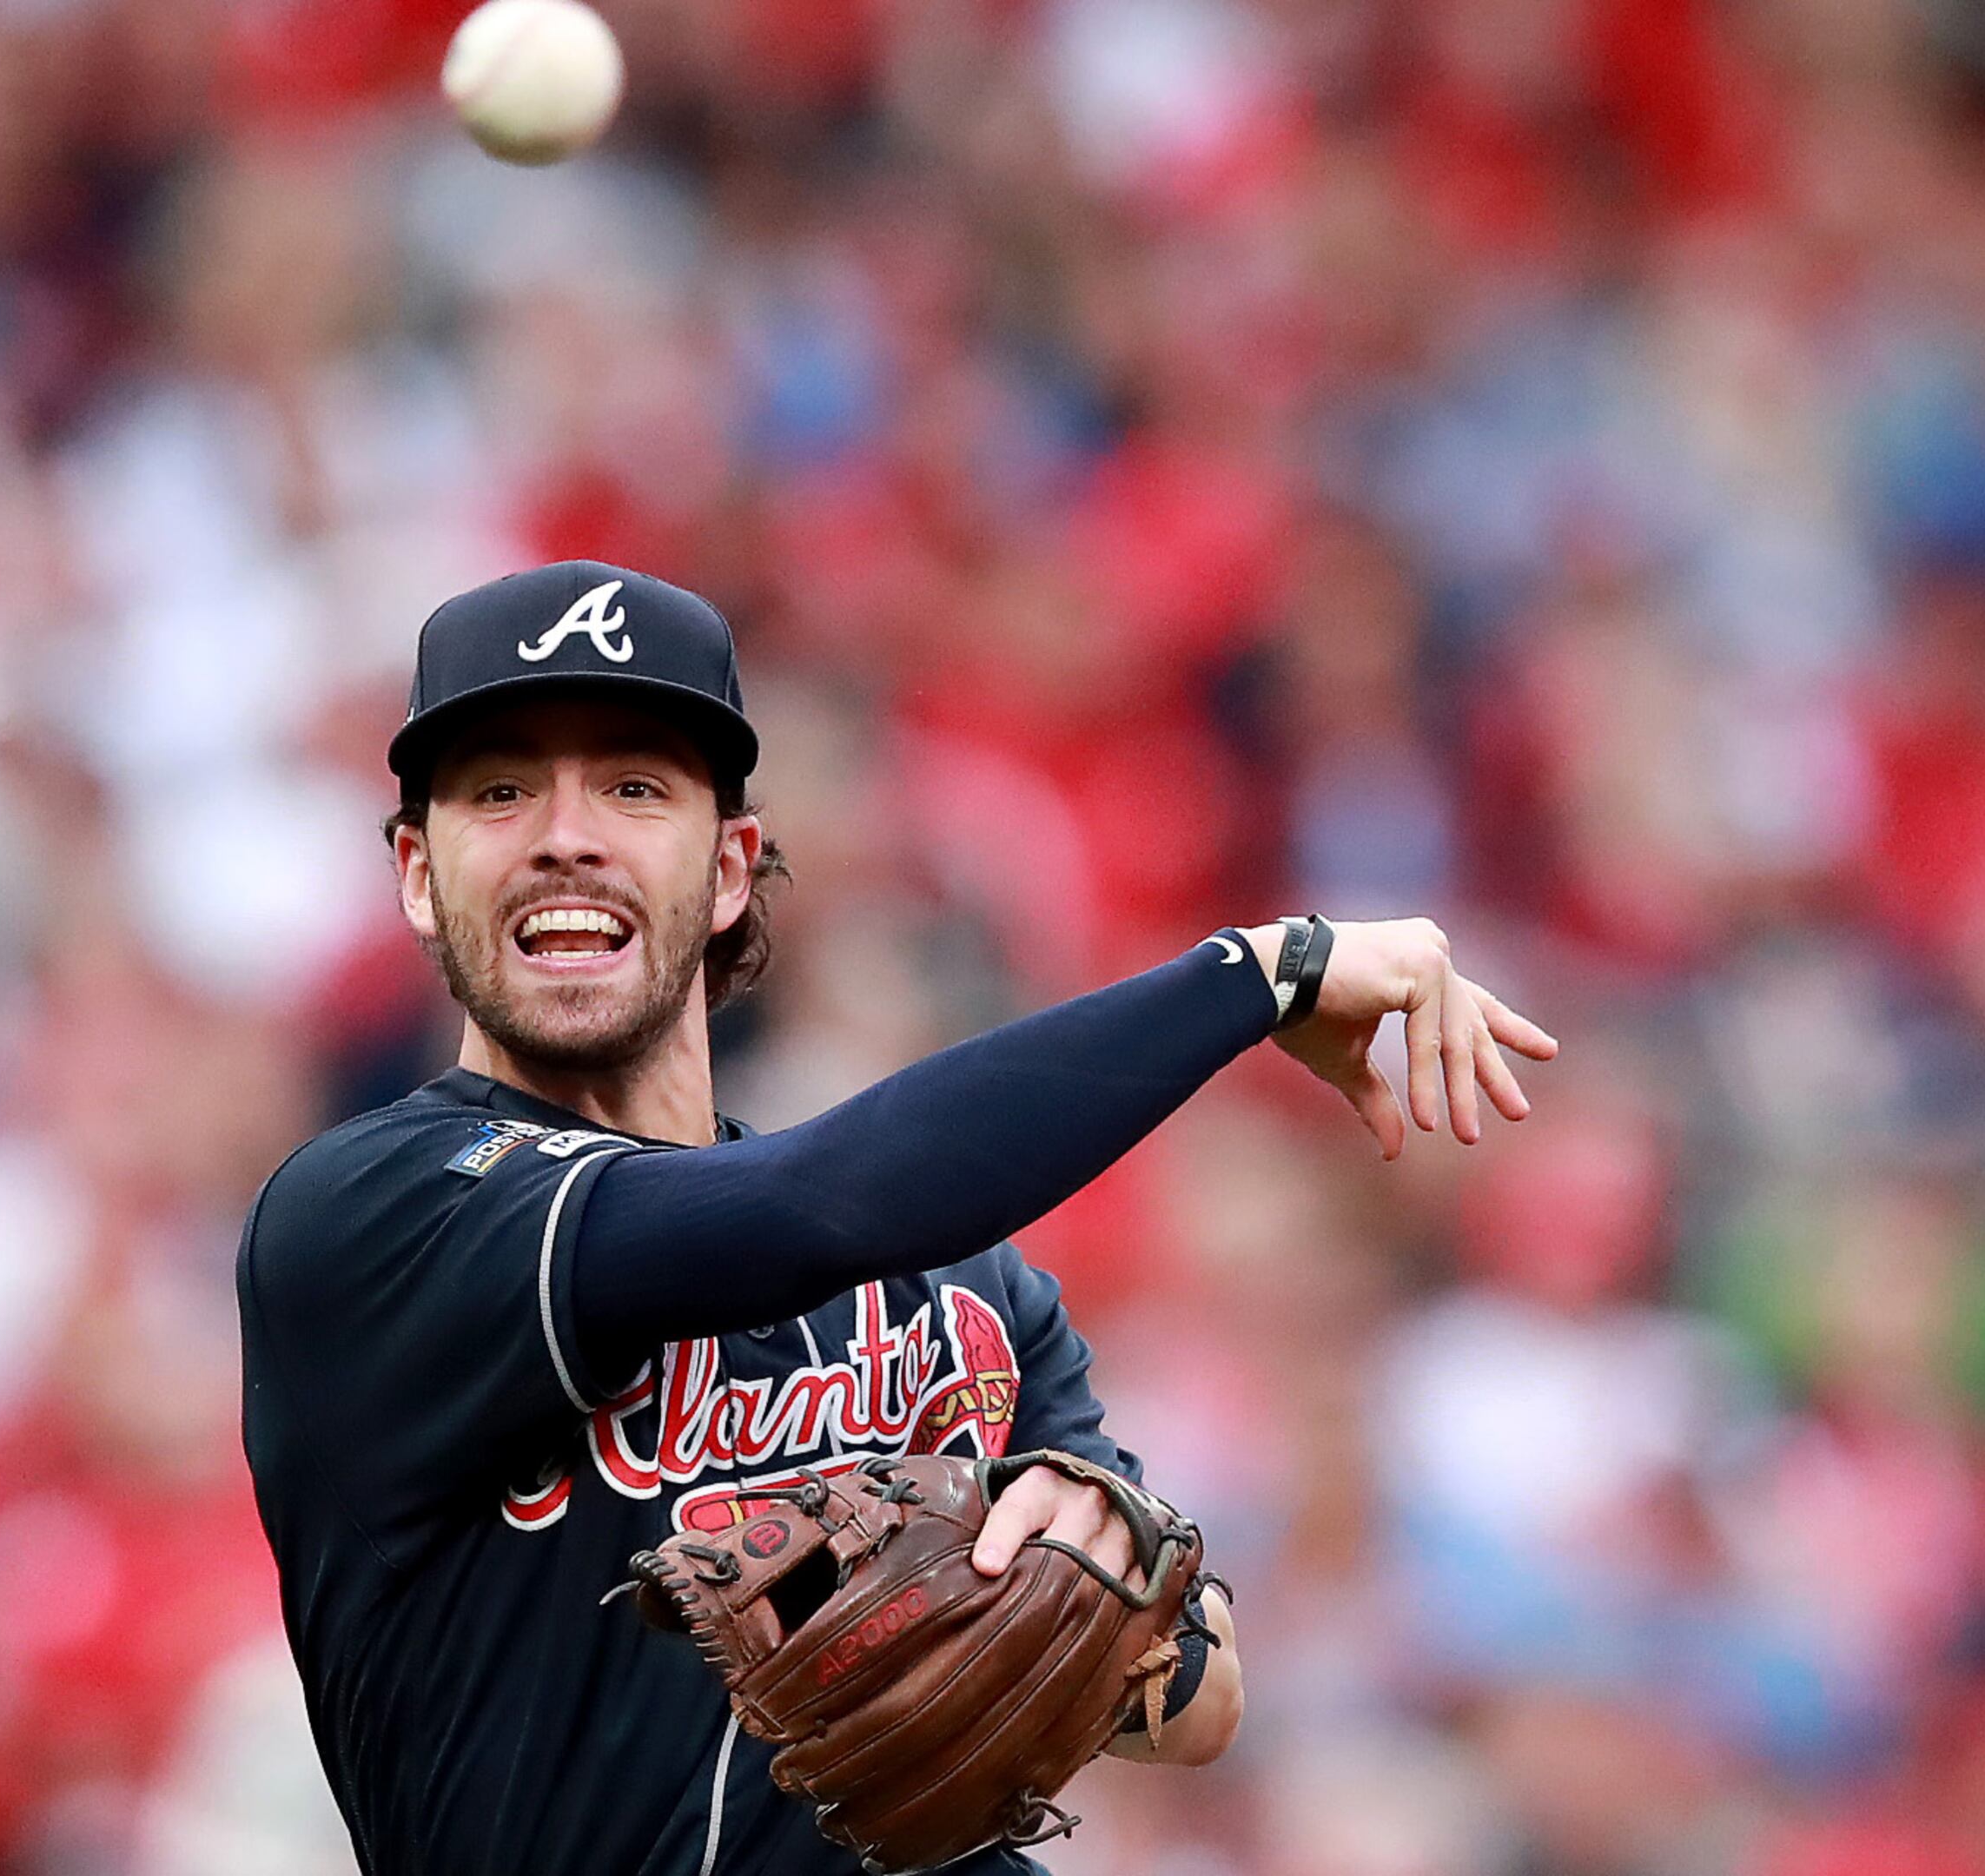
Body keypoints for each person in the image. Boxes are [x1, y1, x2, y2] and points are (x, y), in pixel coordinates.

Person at [237, 561, 1558, 1876]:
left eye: (635, 788)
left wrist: (1102, 1557)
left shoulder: (960, 1288)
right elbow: (818, 1206)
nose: (565, 836)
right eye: (500, 791)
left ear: (731, 870)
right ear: (418, 873)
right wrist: (1254, 975)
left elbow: (1204, 1703)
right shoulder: (375, 1212)